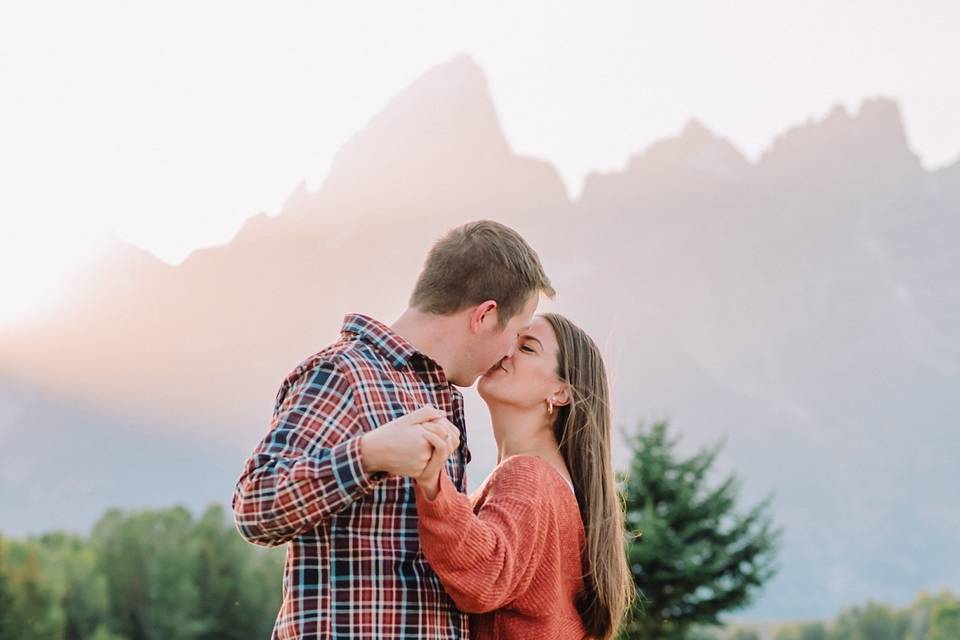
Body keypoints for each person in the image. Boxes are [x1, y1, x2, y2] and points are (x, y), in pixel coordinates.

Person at [231, 220, 555, 639]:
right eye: (515, 333)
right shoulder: (344, 373)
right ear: (485, 315)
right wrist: (368, 456)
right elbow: (255, 505)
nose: (510, 350)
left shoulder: (441, 395)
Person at [412, 313, 635, 640]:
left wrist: (432, 482)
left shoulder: (528, 475)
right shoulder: (551, 482)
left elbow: (483, 576)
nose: (505, 351)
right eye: (509, 339)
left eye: (527, 348)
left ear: (561, 392)